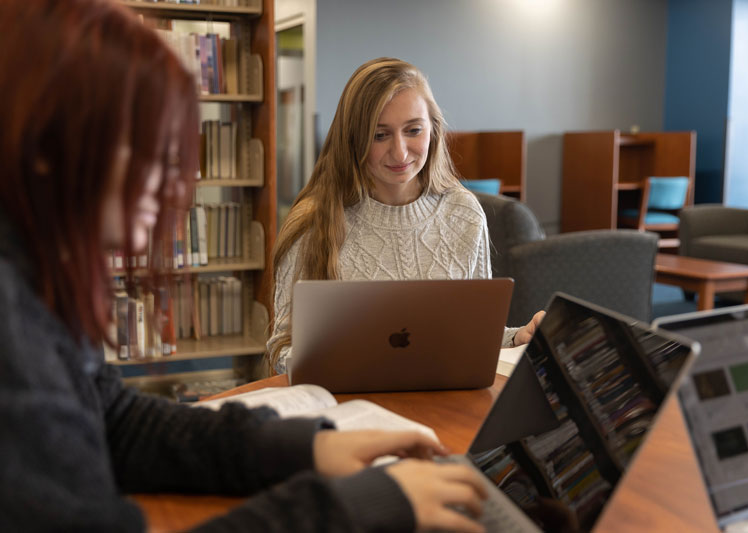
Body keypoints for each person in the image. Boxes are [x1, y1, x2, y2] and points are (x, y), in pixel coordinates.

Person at [0, 1, 490, 531]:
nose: (176, 184)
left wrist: (312, 448)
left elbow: (115, 421)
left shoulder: (32, 277)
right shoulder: (11, 323)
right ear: (47, 143)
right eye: (149, 150)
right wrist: (361, 504)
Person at [266, 57, 545, 374]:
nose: (400, 153)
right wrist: (352, 368)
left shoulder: (464, 214)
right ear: (353, 139)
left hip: (443, 404)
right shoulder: (314, 221)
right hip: (352, 406)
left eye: (413, 130)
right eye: (379, 135)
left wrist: (515, 338)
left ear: (433, 130)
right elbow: (282, 349)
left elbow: (473, 336)